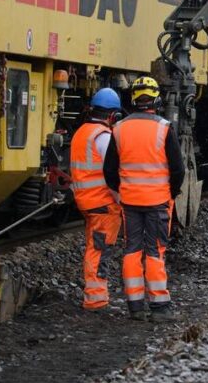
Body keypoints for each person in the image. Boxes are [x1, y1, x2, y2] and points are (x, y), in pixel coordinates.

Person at [103, 76, 185, 322]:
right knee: (154, 251)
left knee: (131, 249)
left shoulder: (119, 129)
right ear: (156, 99)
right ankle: (160, 306)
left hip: (129, 202)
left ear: (134, 99)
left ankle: (135, 305)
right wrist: (171, 192)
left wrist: (122, 190)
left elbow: (109, 170)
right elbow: (178, 169)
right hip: (158, 201)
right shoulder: (164, 127)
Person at [69, 88, 123, 311]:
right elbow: (111, 174)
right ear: (112, 116)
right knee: (99, 251)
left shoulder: (81, 132)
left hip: (86, 202)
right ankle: (96, 299)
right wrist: (121, 200)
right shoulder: (104, 137)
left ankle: (96, 296)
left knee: (94, 248)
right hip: (103, 205)